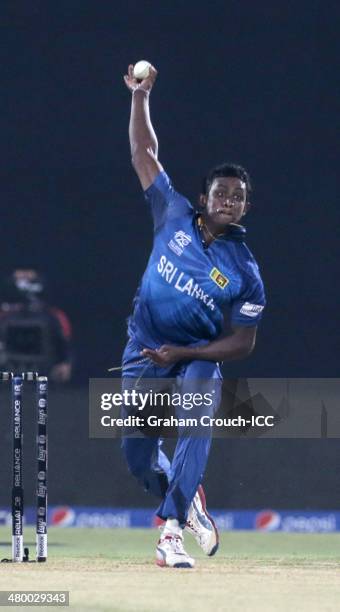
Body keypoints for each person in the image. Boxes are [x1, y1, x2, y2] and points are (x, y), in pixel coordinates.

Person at [121, 63, 266, 568]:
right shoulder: (173, 211)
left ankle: (172, 531)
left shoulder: (244, 269)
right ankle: (190, 495)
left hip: (194, 358)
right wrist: (140, 98)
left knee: (197, 411)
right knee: (137, 456)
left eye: (239, 197)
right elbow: (145, 154)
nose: (230, 200)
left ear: (246, 208)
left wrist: (188, 353)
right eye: (222, 193)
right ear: (204, 199)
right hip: (143, 349)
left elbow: (243, 342)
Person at [0, 269, 72, 381]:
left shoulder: (52, 315)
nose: (24, 276)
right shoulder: (4, 315)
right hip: (7, 373)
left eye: (28, 272)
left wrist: (65, 363)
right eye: (20, 272)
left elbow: (65, 341)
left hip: (43, 374)